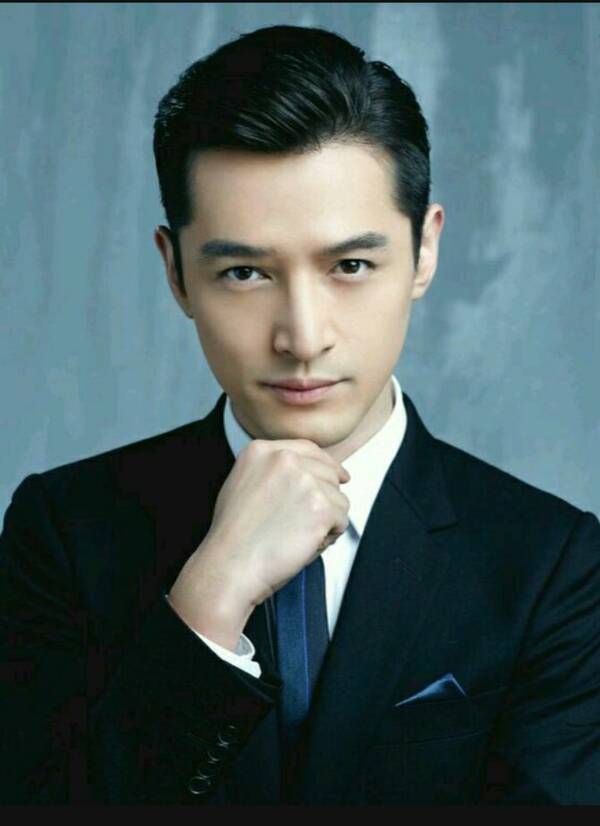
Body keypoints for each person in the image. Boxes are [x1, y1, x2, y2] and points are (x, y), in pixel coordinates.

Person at [1, 23, 599, 806]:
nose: (303, 337)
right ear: (176, 273)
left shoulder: (552, 564)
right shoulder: (63, 533)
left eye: (351, 264)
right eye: (244, 273)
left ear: (424, 252)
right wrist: (212, 596)